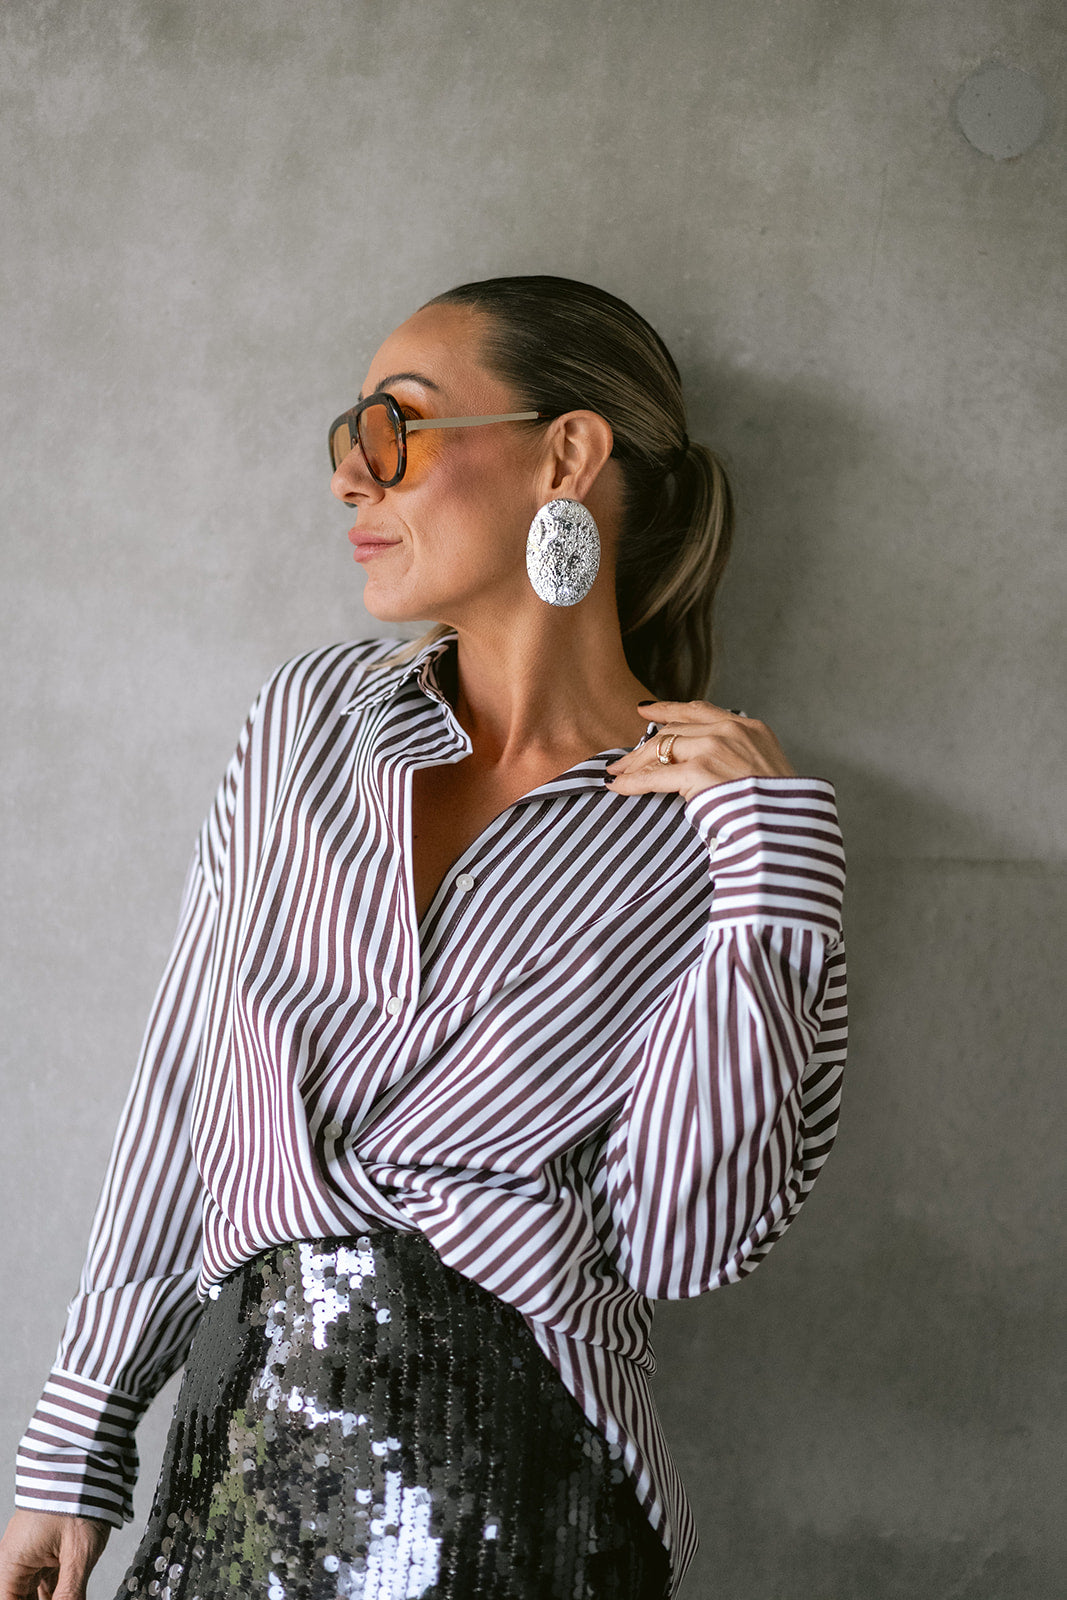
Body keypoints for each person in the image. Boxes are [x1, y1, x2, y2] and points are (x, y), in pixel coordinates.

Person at [0, 275, 847, 1600]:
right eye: (347, 438)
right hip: (246, 1464)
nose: (350, 475)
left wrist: (773, 877)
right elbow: (184, 1090)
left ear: (565, 456)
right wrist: (76, 1442)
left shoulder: (719, 833)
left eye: (392, 429)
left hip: (528, 1489)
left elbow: (683, 1243)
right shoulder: (310, 723)